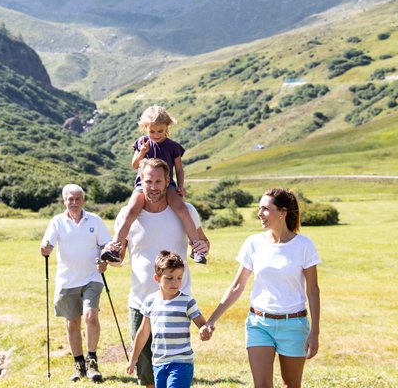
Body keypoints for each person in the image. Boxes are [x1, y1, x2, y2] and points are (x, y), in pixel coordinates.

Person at [203, 188, 321, 388]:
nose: (259, 214)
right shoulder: (253, 243)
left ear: (282, 212)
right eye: (259, 208)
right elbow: (238, 285)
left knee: (291, 385)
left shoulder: (304, 245)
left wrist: (315, 331)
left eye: (265, 209)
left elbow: (313, 291)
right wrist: (211, 320)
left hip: (294, 325)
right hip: (259, 324)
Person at [113, 159, 207, 387]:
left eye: (158, 181)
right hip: (140, 303)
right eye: (148, 181)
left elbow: (202, 241)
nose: (153, 187)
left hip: (176, 302)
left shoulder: (186, 211)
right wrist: (107, 261)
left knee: (174, 370)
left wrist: (203, 246)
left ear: (168, 182)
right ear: (140, 182)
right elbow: (119, 257)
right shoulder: (127, 214)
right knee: (147, 375)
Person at [104, 106, 207, 264]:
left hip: (168, 185)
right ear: (145, 128)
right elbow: (134, 165)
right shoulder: (141, 143)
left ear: (167, 127)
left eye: (161, 131)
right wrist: (142, 152)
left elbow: (179, 169)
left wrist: (180, 186)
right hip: (142, 185)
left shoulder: (173, 146)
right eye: (152, 131)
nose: (156, 135)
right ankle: (115, 248)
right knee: (130, 211)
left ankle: (196, 247)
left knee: (182, 209)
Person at [40, 184, 112, 382]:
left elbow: (106, 245)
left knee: (91, 316)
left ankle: (92, 362)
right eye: (70, 199)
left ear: (83, 200)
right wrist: (45, 249)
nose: (74, 202)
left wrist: (104, 260)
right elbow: (48, 244)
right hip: (67, 279)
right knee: (72, 323)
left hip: (92, 277)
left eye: (77, 199)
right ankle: (78, 364)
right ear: (64, 201)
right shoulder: (57, 222)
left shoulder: (95, 221)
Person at [125, 251, 212, 388]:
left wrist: (205, 330)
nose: (175, 282)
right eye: (169, 278)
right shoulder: (150, 302)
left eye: (179, 277)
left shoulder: (187, 301)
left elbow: (202, 324)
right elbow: (143, 333)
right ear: (157, 278)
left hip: (181, 362)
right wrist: (133, 358)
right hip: (159, 362)